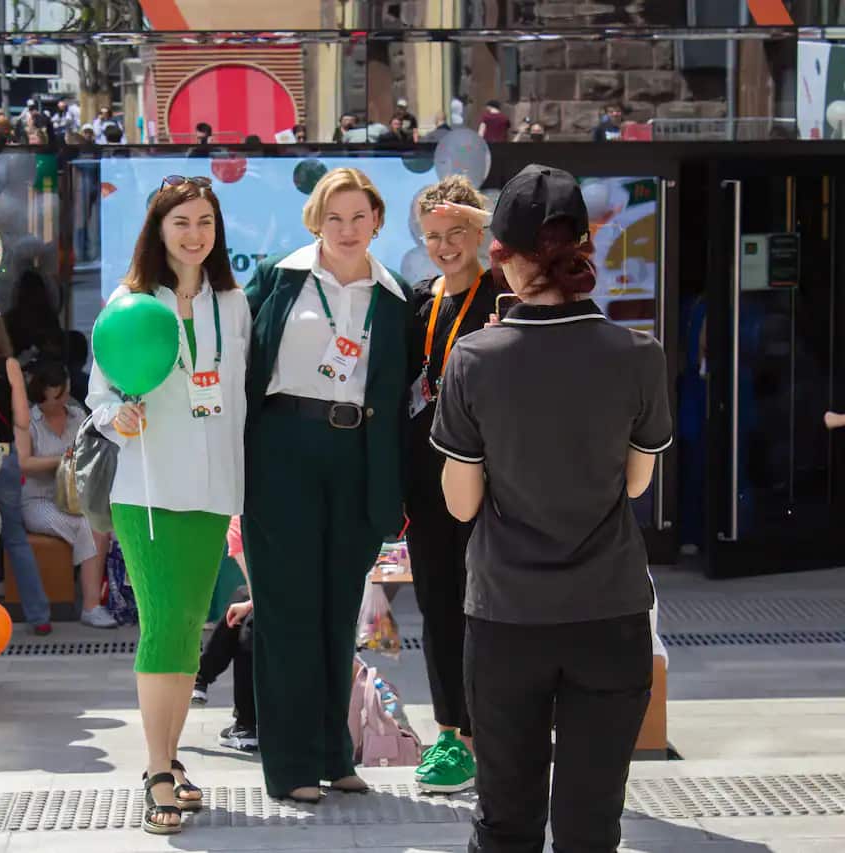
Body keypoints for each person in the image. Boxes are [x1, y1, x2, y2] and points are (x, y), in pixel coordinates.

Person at [430, 164, 672, 852]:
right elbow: (633, 485)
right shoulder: (637, 354)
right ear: (582, 251)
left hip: (508, 615)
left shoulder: (475, 359)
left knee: (506, 821)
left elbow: (462, 501)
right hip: (610, 610)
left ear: (501, 252)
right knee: (592, 825)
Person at [86, 173, 250, 834]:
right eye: (181, 221)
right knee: (162, 624)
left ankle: (171, 758)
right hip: (147, 489)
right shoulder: (128, 302)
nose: (194, 234)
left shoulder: (233, 304)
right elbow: (100, 394)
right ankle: (157, 769)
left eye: (205, 221)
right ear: (158, 229)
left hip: (213, 493)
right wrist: (114, 417)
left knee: (188, 627)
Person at [244, 167, 410, 802]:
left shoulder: (395, 299)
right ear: (316, 220)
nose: (347, 229)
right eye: (334, 217)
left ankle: (334, 755)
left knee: (339, 617)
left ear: (376, 222)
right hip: (282, 448)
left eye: (358, 217)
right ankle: (289, 767)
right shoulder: (276, 279)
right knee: (287, 613)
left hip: (358, 457)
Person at [404, 175, 498, 795]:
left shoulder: (506, 294)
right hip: (425, 473)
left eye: (456, 232)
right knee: (438, 604)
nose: (444, 246)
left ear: (480, 231)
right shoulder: (417, 299)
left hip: (494, 476)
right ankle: (449, 733)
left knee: (490, 605)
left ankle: (490, 729)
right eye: (434, 235)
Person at [0, 314, 54, 636]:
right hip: (3, 456)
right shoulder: (10, 366)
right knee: (15, 540)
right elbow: (21, 419)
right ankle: (39, 615)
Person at [19, 360, 116, 630]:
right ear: (41, 396)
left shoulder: (76, 415)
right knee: (89, 526)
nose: (62, 401)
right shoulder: (29, 421)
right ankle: (91, 606)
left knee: (102, 521)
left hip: (76, 498)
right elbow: (24, 463)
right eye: (55, 397)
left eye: (64, 393)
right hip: (39, 501)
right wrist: (61, 460)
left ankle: (106, 600)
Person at [192, 516, 257, 753]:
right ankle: (201, 678)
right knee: (242, 601)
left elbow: (261, 593)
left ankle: (246, 724)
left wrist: (250, 604)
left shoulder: (239, 524)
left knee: (248, 626)